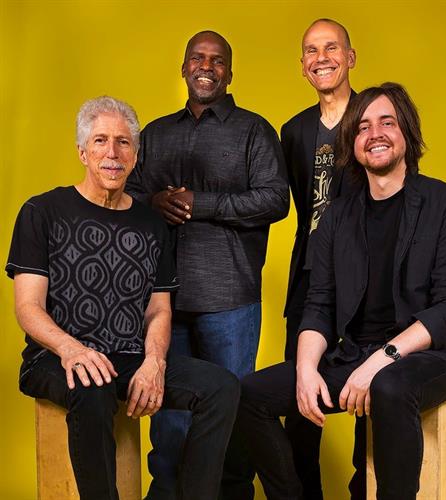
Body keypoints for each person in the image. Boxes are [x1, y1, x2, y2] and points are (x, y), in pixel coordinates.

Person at [238, 82, 446, 500]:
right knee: (249, 395)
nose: (375, 134)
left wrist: (381, 361)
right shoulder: (337, 217)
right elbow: (319, 304)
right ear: (352, 142)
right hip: (356, 355)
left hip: (434, 357)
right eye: (363, 127)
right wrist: (306, 369)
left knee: (389, 386)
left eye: (387, 123)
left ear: (407, 132)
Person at [6, 96, 240, 500]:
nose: (112, 153)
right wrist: (72, 349)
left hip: (127, 356)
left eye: (123, 142)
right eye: (100, 141)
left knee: (221, 387)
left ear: (135, 154)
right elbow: (28, 307)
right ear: (83, 152)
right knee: (92, 385)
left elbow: (159, 310)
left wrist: (154, 361)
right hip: (54, 357)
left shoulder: (152, 224)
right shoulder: (42, 211)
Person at [125, 31, 289, 498]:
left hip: (229, 298)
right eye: (198, 58)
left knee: (232, 413)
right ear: (183, 68)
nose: (206, 66)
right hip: (164, 301)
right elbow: (126, 194)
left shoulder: (254, 131)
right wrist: (153, 202)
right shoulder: (155, 134)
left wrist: (203, 203)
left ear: (229, 73)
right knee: (168, 415)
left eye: (217, 60)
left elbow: (275, 199)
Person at [280, 18, 362, 499]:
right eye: (311, 50)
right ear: (302, 65)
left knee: (371, 392)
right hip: (309, 280)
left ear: (350, 57)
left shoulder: (375, 118)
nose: (321, 58)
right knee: (301, 397)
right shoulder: (294, 131)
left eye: (331, 48)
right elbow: (299, 202)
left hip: (368, 281)